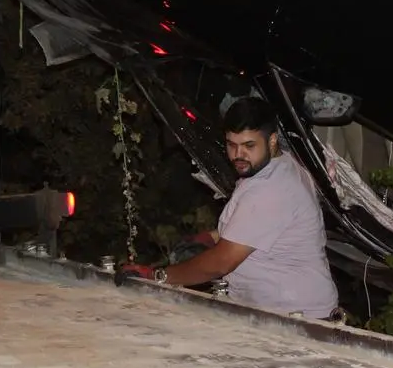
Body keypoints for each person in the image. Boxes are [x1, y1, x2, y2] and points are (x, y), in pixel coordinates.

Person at [122, 96, 339, 319]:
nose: (238, 155)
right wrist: (209, 237)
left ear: (272, 140)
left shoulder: (270, 189)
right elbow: (254, 227)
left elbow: (222, 262)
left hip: (296, 318)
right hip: (280, 310)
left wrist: (156, 277)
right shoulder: (277, 165)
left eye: (249, 145)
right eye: (231, 144)